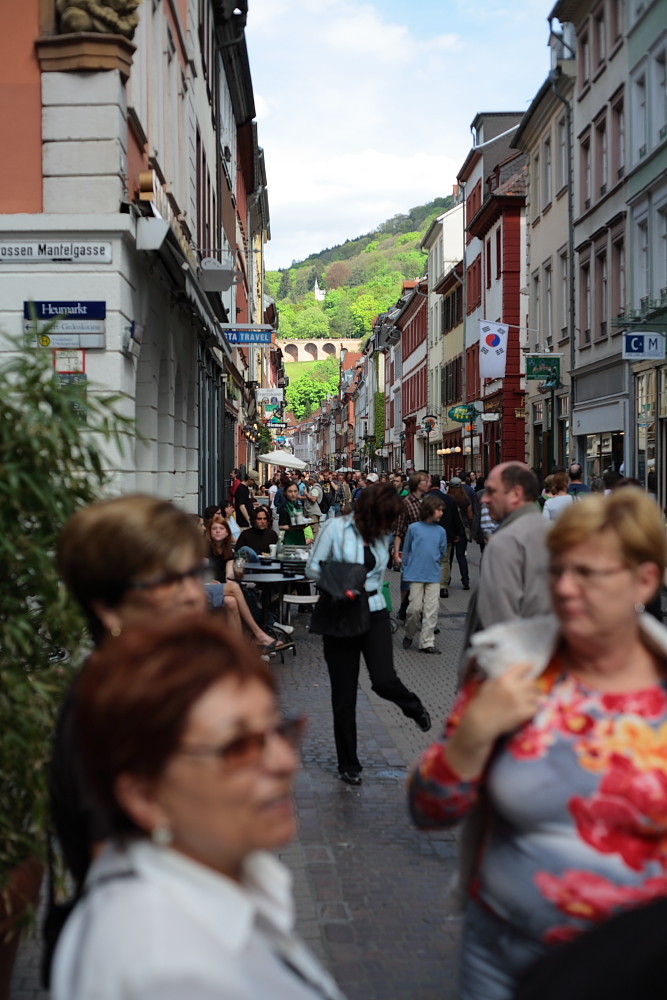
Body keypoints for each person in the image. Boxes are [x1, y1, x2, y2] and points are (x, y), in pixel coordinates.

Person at [408, 488, 667, 1000]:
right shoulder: (510, 667)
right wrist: (477, 731)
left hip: (638, 969)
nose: (564, 590)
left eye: (588, 574)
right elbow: (428, 809)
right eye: (557, 571)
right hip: (500, 955)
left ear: (644, 580)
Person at [52, 616, 345, 1000]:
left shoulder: (188, 886)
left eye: (281, 731)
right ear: (146, 797)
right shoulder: (172, 972)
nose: (286, 762)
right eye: (239, 747)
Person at [306, 482, 431, 786]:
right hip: (341, 611)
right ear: (371, 512)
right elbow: (312, 569)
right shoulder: (335, 528)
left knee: (384, 679)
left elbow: (379, 571)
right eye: (386, 519)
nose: (389, 526)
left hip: (374, 609)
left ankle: (413, 706)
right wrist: (341, 582)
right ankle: (349, 763)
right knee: (344, 695)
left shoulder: (381, 532)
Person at [462, 462, 551, 654]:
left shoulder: (504, 543)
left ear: (516, 494)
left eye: (492, 491)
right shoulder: (552, 533)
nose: (484, 499)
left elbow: (498, 624)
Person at [401, 495, 447, 654]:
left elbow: (442, 552)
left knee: (431, 610)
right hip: (415, 574)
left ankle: (427, 642)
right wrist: (405, 568)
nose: (441, 513)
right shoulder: (413, 528)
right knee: (414, 608)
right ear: (429, 510)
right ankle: (409, 632)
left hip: (433, 575)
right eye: (439, 510)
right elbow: (406, 550)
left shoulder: (441, 531)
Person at [393, 471, 430, 621]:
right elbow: (399, 530)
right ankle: (404, 609)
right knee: (408, 583)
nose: (429, 484)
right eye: (425, 482)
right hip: (411, 549)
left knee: (427, 584)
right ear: (416, 485)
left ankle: (427, 617)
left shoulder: (429, 502)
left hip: (428, 549)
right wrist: (396, 552)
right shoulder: (406, 503)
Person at [446, 477, 472, 591]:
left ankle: (447, 579)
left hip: (451, 530)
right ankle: (465, 579)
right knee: (461, 556)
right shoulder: (465, 499)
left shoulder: (448, 499)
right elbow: (470, 516)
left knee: (449, 557)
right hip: (462, 530)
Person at [279, 482, 310, 546]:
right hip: (290, 539)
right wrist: (295, 527)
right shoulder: (284, 506)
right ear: (285, 493)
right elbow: (281, 526)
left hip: (300, 537)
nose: (293, 494)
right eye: (290, 491)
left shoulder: (297, 505)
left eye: (295, 491)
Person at [302, 473, 324, 537]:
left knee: (314, 529)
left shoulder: (315, 488)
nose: (308, 481)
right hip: (311, 512)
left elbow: (314, 499)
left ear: (312, 480)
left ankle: (314, 544)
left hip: (313, 512)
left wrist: (306, 493)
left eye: (309, 479)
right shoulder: (314, 488)